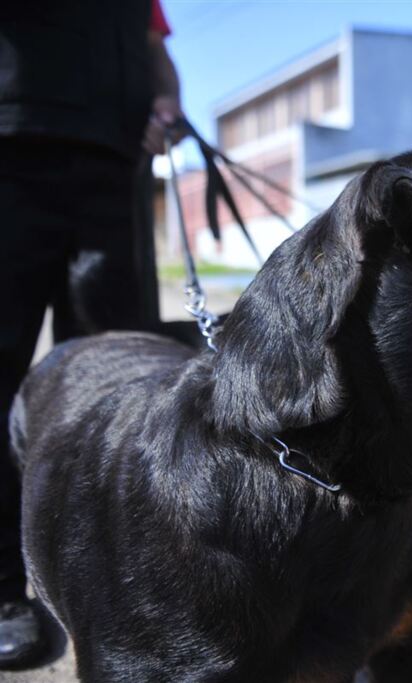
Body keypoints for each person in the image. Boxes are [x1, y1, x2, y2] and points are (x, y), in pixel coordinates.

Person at [0, 0, 182, 667]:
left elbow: (155, 45)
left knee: (114, 384)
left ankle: (112, 577)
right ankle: (5, 590)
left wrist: (166, 103)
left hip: (113, 168)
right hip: (11, 150)